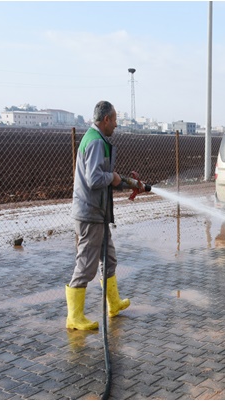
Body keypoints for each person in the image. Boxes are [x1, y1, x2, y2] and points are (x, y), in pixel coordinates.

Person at [65, 100, 130, 330]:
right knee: (86, 264)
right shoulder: (94, 143)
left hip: (98, 213)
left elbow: (103, 177)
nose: (116, 125)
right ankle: (74, 317)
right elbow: (94, 179)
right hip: (89, 213)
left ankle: (113, 304)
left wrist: (119, 180)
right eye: (114, 120)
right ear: (106, 120)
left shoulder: (98, 140)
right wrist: (112, 177)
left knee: (109, 258)